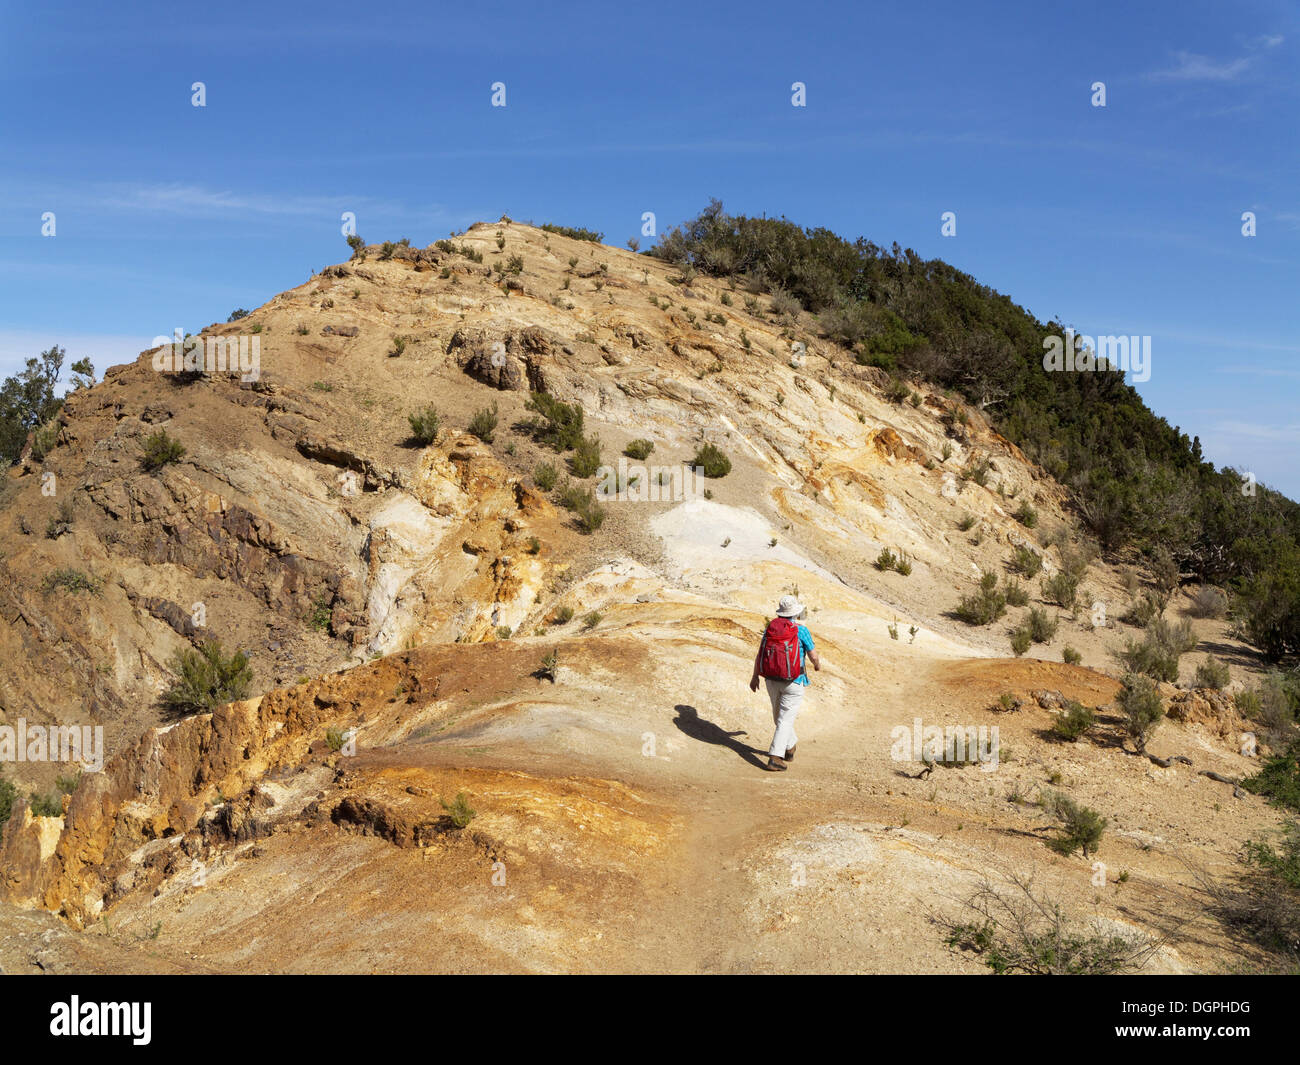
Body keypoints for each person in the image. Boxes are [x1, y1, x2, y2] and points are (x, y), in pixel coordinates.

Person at [749, 595, 821, 772]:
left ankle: (790, 747)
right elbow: (813, 655)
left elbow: (761, 653)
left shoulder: (770, 628)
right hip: (794, 681)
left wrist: (755, 676)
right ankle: (775, 758)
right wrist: (817, 665)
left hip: (771, 679)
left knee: (779, 718)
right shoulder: (801, 630)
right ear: (795, 613)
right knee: (784, 720)